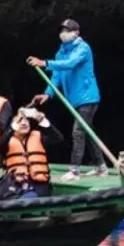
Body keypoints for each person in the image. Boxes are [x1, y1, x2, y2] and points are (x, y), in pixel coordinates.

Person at [27, 18, 103, 174]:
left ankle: (74, 170)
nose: (63, 33)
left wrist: (45, 63)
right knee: (88, 131)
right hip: (75, 99)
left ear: (76, 32)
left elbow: (70, 63)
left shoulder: (83, 48)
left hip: (88, 97)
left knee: (78, 131)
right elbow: (57, 76)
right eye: (62, 30)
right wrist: (48, 93)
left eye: (67, 30)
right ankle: (100, 166)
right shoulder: (60, 52)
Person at [3, 109, 52, 196]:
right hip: (15, 185)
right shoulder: (7, 141)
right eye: (20, 121)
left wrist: (42, 120)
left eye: (26, 120)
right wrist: (14, 124)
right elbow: (1, 145)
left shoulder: (38, 137)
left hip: (39, 185)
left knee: (30, 197)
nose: (24, 123)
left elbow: (57, 138)